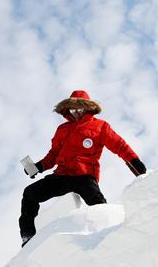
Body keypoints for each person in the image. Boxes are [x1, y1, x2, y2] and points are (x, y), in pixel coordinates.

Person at [20, 90, 146, 247]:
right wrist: (38, 166)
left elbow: (119, 145)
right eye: (72, 109)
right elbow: (53, 155)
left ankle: (111, 237)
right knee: (30, 193)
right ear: (68, 110)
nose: (76, 113)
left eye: (79, 109)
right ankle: (28, 237)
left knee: (99, 206)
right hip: (62, 175)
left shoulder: (100, 127)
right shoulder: (62, 129)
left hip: (84, 176)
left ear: (87, 108)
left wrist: (134, 160)